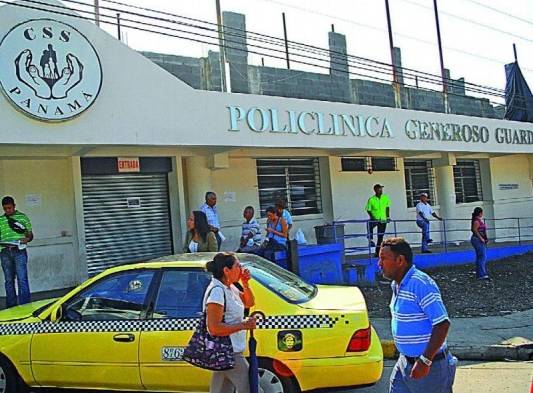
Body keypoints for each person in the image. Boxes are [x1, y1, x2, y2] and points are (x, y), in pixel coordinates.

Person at [378, 237, 456, 393]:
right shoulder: (397, 285)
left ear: (400, 260)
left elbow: (442, 323)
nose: (379, 264)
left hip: (429, 367)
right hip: (404, 363)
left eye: (383, 259)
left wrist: (425, 361)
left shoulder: (420, 284)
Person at [204, 253, 257, 393]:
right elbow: (214, 328)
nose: (241, 269)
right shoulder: (217, 292)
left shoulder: (230, 287)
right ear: (226, 271)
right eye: (237, 266)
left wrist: (245, 284)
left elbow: (249, 302)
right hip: (229, 352)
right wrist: (243, 325)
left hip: (226, 353)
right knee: (252, 388)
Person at [0, 196, 34, 308]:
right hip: (5, 252)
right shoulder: (1, 220)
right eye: (5, 209)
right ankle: (11, 307)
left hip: (19, 251)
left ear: (14, 206)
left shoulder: (23, 217)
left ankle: (25, 306)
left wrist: (27, 239)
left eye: (9, 208)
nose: (8, 210)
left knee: (22, 279)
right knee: (9, 280)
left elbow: (30, 235)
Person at [366, 184, 391, 257]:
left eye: (381, 189)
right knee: (368, 224)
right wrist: (373, 218)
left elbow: (387, 208)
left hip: (383, 219)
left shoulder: (385, 198)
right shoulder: (371, 199)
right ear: (375, 190)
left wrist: (388, 217)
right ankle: (370, 239)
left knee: (380, 236)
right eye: (379, 189)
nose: (381, 190)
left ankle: (377, 252)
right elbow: (368, 210)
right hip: (375, 219)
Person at [471, 207, 489, 280]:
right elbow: (474, 230)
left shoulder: (477, 220)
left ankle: (481, 273)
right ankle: (481, 274)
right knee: (482, 256)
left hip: (479, 239)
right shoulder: (476, 221)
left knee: (481, 256)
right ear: (480, 213)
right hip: (477, 240)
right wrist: (481, 238)